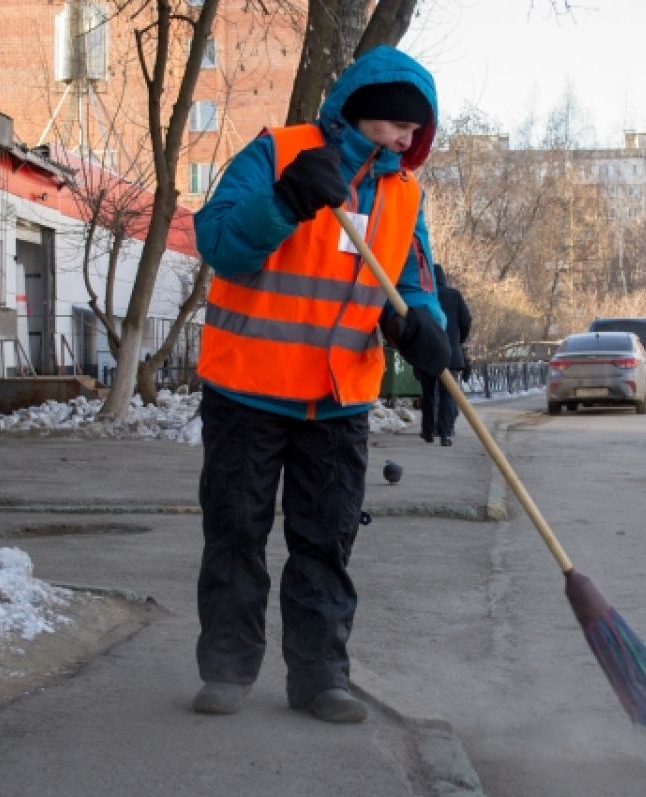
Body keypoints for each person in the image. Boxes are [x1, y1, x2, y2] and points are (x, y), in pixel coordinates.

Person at [190, 46, 449, 725]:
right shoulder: (279, 153)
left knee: (325, 544)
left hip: (339, 401)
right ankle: (227, 667)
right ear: (368, 111)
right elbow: (218, 242)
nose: (409, 139)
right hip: (249, 390)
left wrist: (424, 326)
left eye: (416, 131)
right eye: (401, 125)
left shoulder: (404, 194)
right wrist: (285, 202)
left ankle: (321, 677)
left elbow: (414, 280)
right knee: (235, 535)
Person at [416, 264, 472, 447]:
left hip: (427, 352)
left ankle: (428, 432)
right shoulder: (454, 295)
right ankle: (445, 433)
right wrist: (458, 340)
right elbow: (466, 321)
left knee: (428, 393)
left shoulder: (423, 296)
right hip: (451, 353)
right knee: (447, 394)